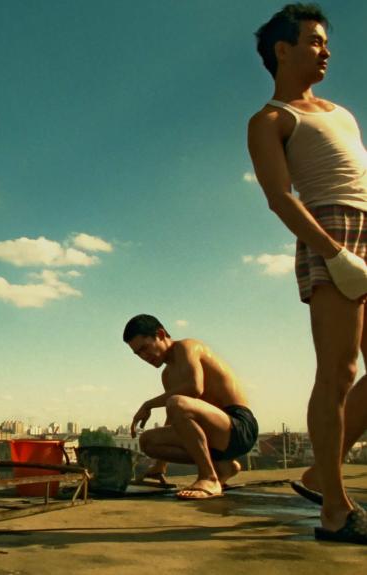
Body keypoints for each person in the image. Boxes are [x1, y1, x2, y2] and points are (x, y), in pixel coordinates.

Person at [247, 3, 367, 543]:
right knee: (338, 373)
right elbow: (280, 198)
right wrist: (336, 255)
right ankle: (335, 512)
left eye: (325, 41)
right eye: (315, 41)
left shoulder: (342, 112)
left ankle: (320, 474)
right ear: (283, 49)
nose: (326, 50)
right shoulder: (271, 120)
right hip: (331, 233)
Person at [124, 314, 258, 500]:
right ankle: (223, 466)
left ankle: (208, 478)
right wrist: (160, 465)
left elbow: (194, 388)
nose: (144, 357)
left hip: (238, 426)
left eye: (145, 348)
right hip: (214, 434)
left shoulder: (187, 347)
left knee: (177, 402)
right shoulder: (167, 374)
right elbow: (175, 418)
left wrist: (148, 405)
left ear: (161, 334)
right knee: (148, 441)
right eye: (138, 354)